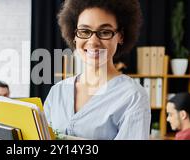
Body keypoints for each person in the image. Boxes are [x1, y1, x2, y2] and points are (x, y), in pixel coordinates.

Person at [44, 0, 151, 140]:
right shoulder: (58, 91)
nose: (93, 41)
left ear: (120, 36)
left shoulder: (133, 97)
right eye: (84, 31)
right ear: (74, 35)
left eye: (105, 32)